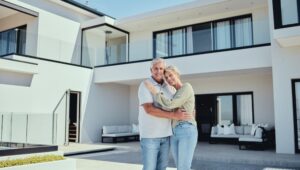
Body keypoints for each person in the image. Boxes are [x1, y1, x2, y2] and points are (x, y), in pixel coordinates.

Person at [138, 58, 192, 170]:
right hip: (150, 136)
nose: (158, 71)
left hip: (166, 136)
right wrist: (174, 116)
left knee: (162, 168)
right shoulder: (145, 85)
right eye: (155, 68)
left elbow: (176, 105)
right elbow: (149, 109)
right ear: (151, 70)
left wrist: (190, 113)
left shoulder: (169, 87)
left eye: (161, 68)